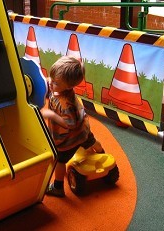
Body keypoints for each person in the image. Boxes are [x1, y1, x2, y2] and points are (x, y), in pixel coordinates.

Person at [41, 56, 105, 197]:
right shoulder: (61, 88)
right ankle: (102, 154)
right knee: (91, 141)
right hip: (83, 130)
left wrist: (51, 115)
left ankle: (58, 187)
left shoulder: (65, 104)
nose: (51, 83)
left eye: (55, 82)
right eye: (51, 78)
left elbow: (69, 124)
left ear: (68, 86)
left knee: (59, 161)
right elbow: (52, 83)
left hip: (69, 139)